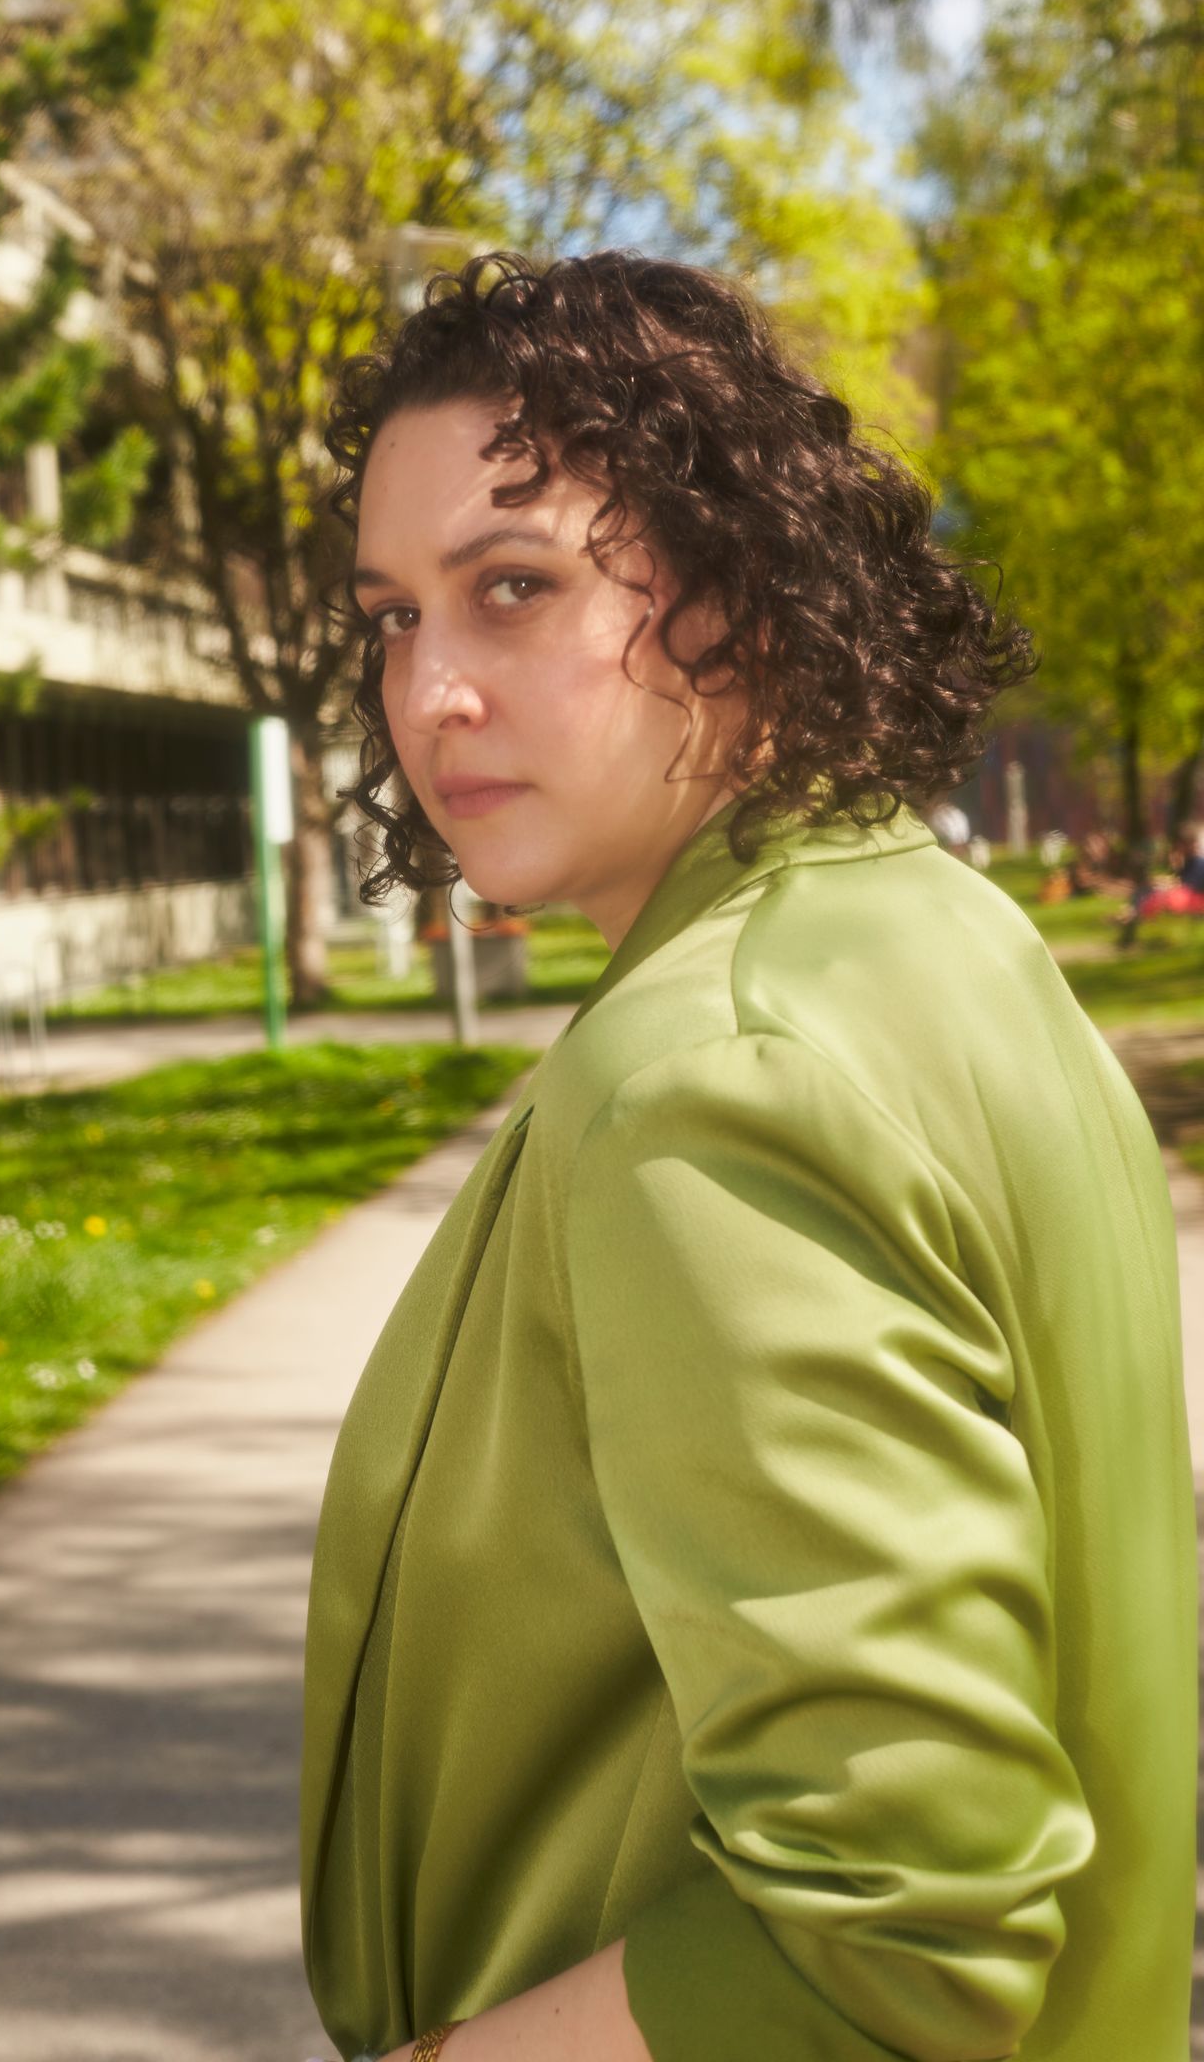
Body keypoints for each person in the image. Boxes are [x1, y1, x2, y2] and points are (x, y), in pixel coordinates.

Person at [298, 251, 1196, 2062]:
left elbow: (901, 1924)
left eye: (514, 586)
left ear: (743, 592)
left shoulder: (711, 1078)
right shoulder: (931, 925)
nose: (431, 689)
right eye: (396, 614)